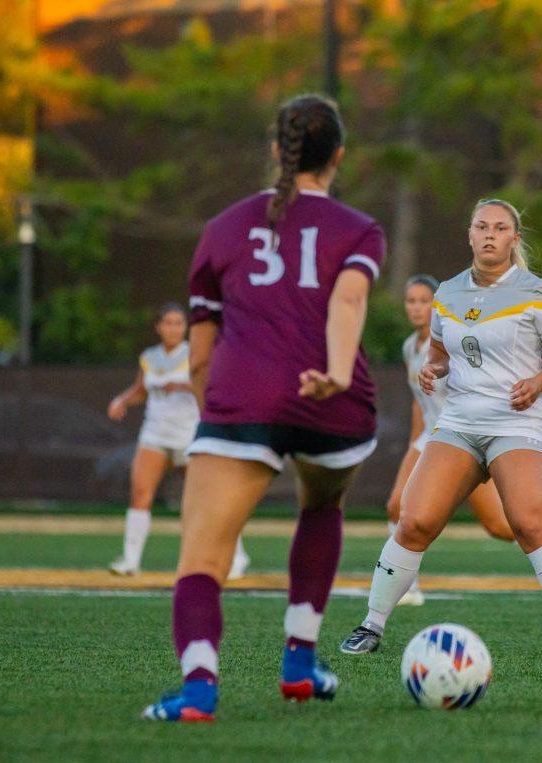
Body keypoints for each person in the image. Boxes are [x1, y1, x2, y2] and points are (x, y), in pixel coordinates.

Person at [143, 94, 385, 722]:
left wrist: (216, 420)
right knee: (322, 502)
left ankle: (199, 688)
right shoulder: (358, 229)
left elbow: (199, 356)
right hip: (334, 406)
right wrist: (333, 371)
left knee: (202, 558)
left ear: (277, 151)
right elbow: (348, 303)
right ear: (338, 156)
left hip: (242, 398)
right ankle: (300, 658)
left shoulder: (222, 228)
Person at [340, 198, 542, 659]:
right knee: (413, 520)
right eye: (482, 226)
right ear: (470, 233)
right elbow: (440, 354)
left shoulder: (537, 290)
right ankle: (371, 625)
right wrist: (432, 370)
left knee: (527, 522)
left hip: (516, 420)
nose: (490, 234)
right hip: (458, 422)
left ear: (514, 239)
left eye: (500, 228)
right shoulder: (449, 292)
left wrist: (537, 382)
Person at [381, 274, 542, 609]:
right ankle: (408, 588)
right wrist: (414, 444)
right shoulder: (411, 347)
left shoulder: (459, 337)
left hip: (467, 436)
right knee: (398, 507)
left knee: (505, 525)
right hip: (432, 438)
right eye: (411, 301)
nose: (418, 308)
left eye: (424, 300)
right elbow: (418, 400)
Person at [105, 303, 249, 579]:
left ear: (185, 327)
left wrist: (185, 385)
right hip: (154, 434)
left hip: (189, 435)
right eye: (168, 323)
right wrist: (122, 400)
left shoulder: (195, 353)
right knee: (140, 494)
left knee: (211, 499)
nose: (173, 328)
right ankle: (130, 560)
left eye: (178, 323)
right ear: (158, 327)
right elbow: (140, 390)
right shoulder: (149, 356)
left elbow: (213, 385)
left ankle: (238, 557)